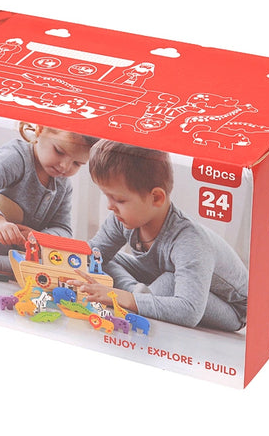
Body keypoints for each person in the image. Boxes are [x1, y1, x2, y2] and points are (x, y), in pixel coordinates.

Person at [71, 140, 248, 332]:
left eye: (119, 200)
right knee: (100, 258)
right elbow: (93, 254)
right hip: (159, 276)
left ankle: (135, 296)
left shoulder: (189, 241)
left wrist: (123, 298)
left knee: (169, 282)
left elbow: (189, 311)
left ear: (156, 198)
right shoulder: (121, 218)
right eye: (107, 196)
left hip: (229, 307)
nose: (109, 206)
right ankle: (140, 294)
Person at [0, 122, 97, 272]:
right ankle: (4, 263)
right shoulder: (16, 157)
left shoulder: (64, 185)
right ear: (40, 129)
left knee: (72, 254)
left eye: (77, 163)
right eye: (59, 151)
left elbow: (64, 230)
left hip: (28, 248)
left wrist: (38, 237)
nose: (65, 166)